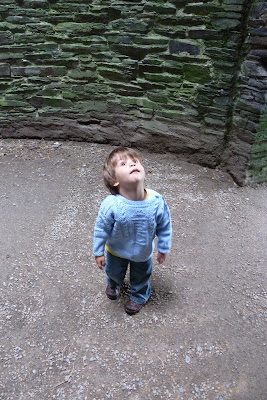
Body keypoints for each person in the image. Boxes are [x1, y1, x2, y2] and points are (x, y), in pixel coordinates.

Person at [93, 147, 172, 315]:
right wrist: (98, 251)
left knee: (141, 276)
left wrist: (164, 247)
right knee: (113, 271)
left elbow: (164, 225)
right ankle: (113, 283)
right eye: (123, 163)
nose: (132, 164)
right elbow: (101, 228)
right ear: (114, 180)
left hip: (142, 252)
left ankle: (139, 295)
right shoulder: (111, 204)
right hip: (116, 250)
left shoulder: (157, 201)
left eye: (135, 161)